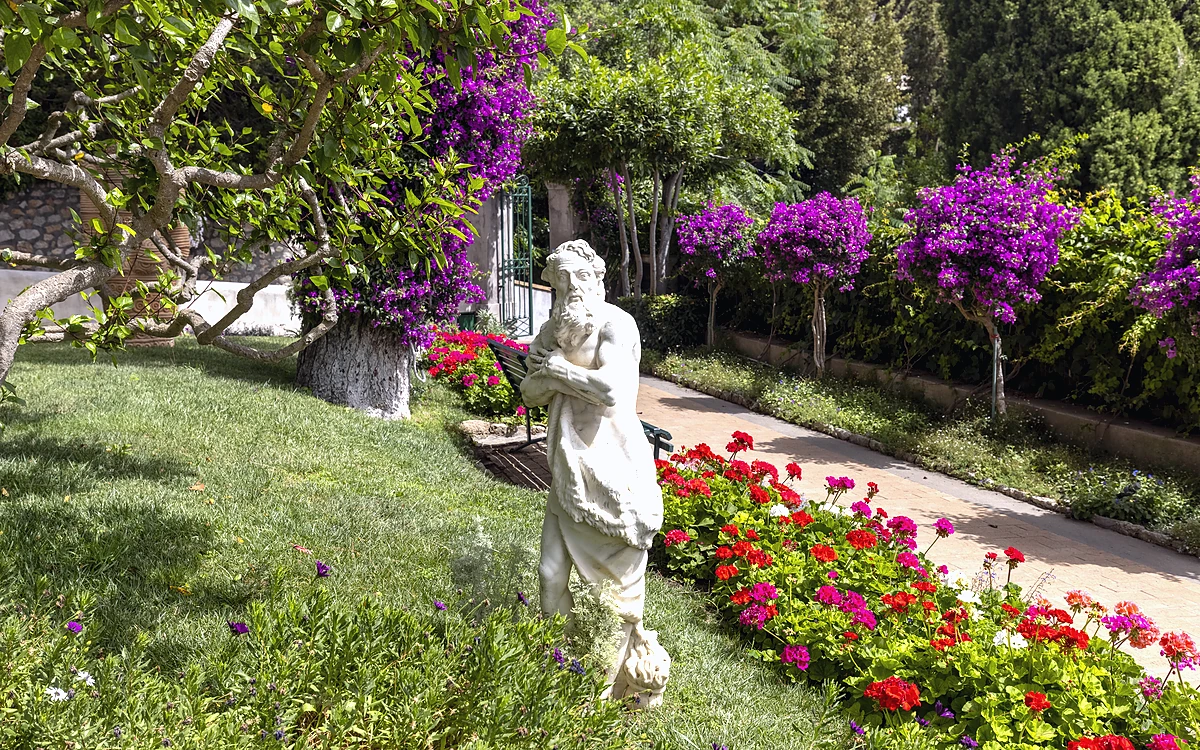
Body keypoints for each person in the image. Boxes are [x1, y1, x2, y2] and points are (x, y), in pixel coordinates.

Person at [521, 239, 670, 705]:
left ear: (594, 279)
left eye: (574, 282)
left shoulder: (616, 325)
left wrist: (558, 373)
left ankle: (604, 693)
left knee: (615, 603)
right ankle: (554, 663)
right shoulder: (553, 332)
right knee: (549, 574)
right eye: (558, 286)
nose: (566, 294)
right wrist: (554, 373)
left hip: (614, 474)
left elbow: (610, 390)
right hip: (569, 472)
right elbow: (529, 390)